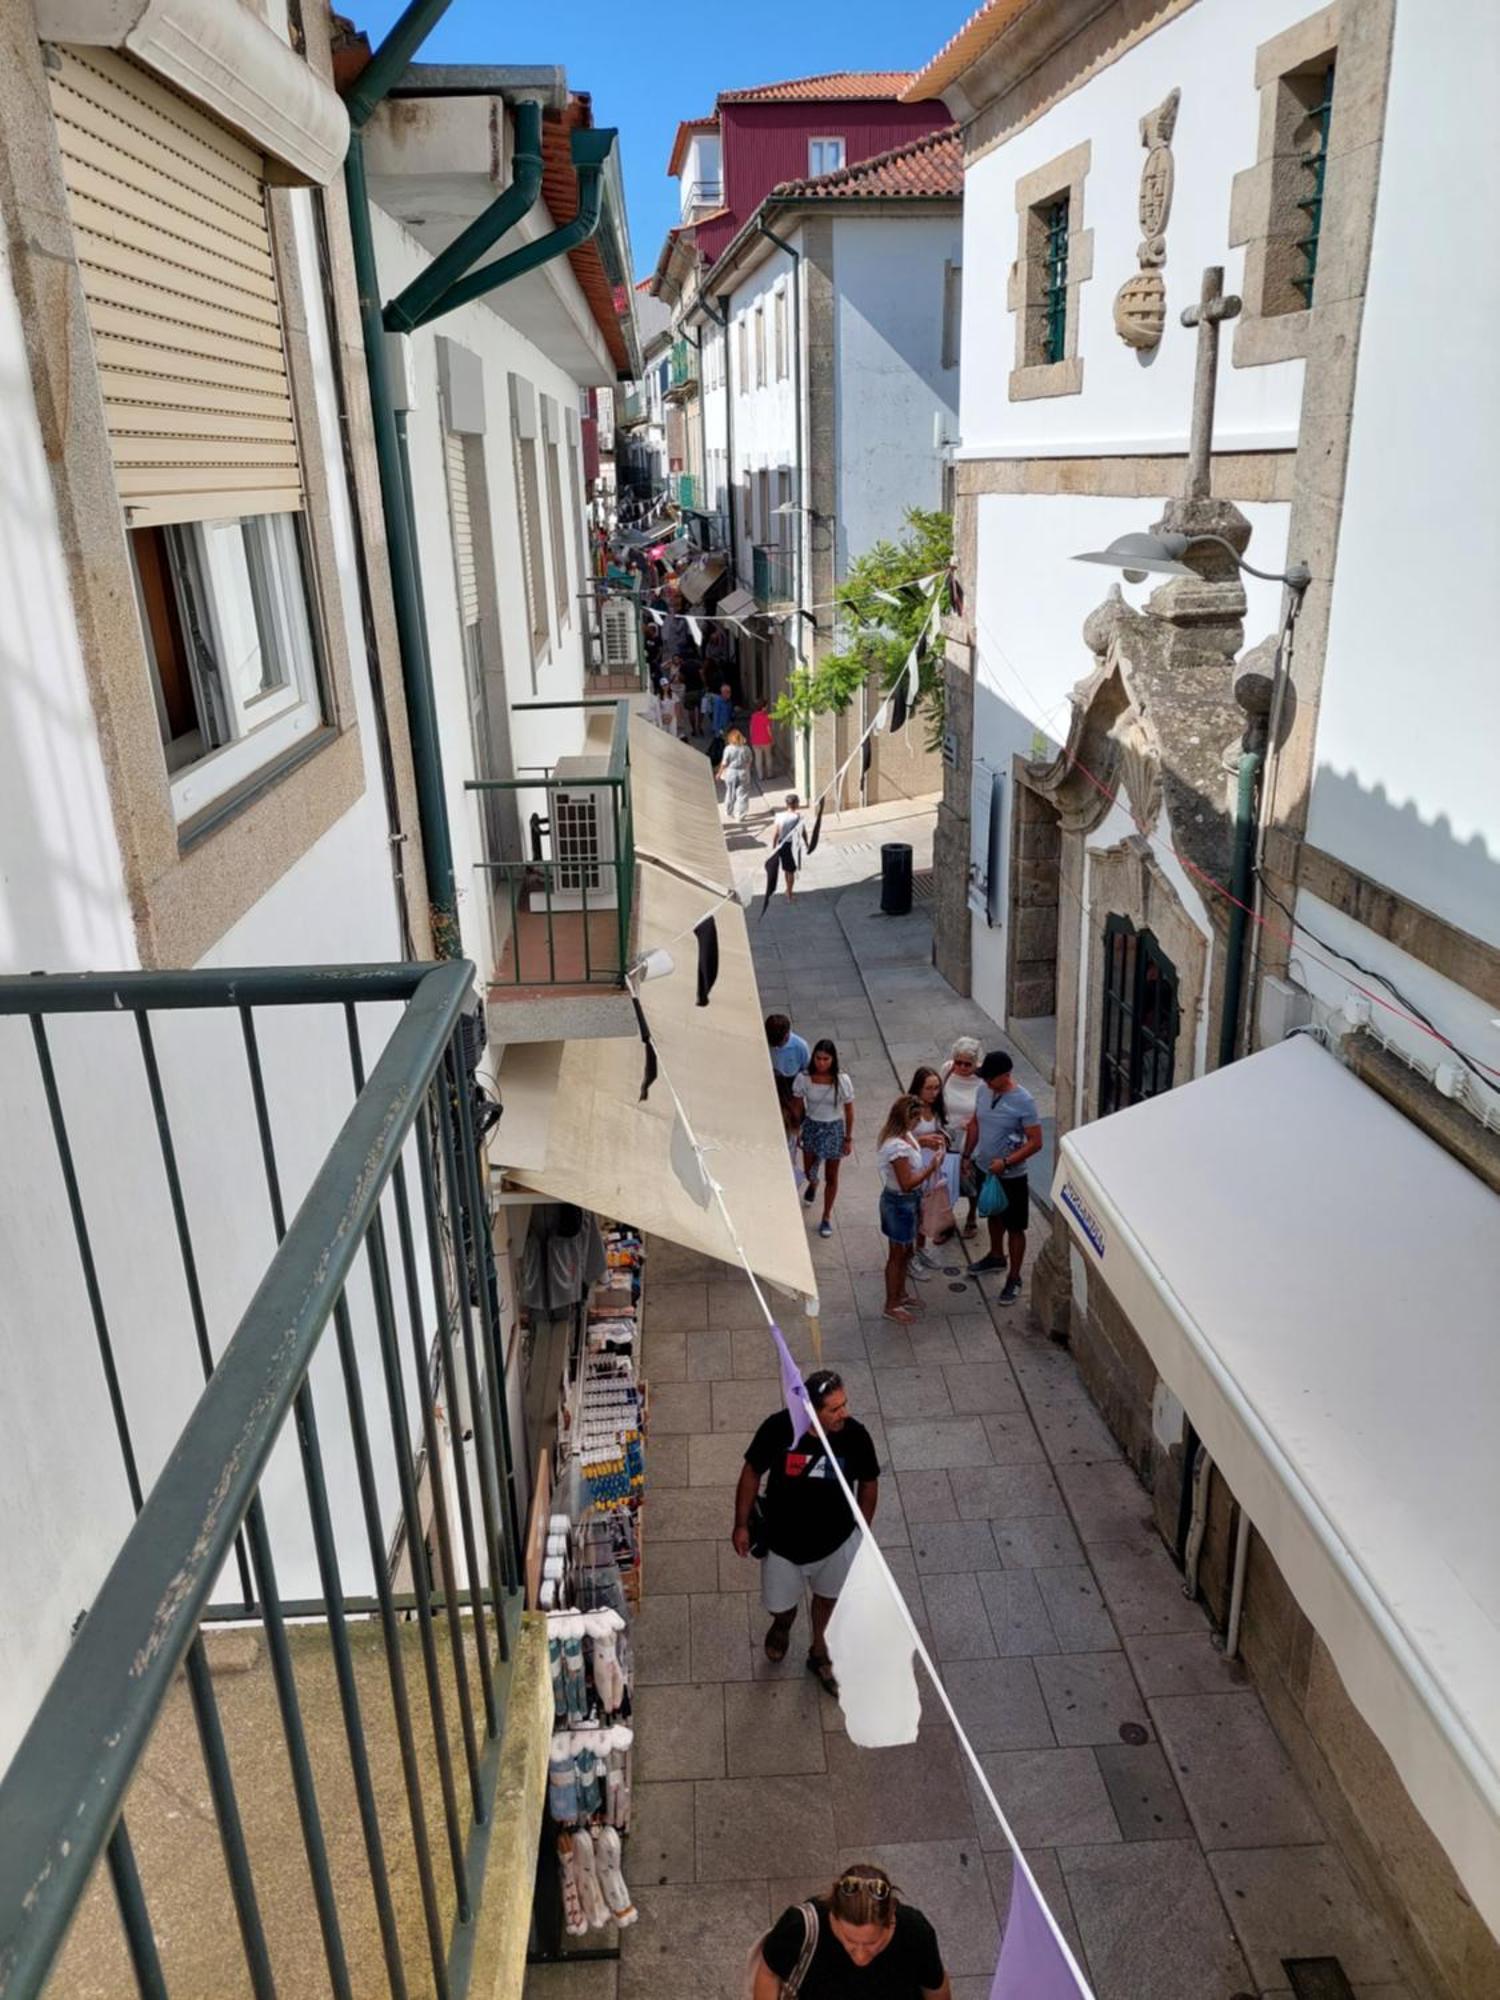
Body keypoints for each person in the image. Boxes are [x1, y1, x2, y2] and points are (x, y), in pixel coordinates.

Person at [733, 1369, 879, 1696]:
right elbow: (752, 1471)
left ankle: (820, 1653)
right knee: (780, 1606)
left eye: (845, 1404)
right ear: (811, 1410)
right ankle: (783, 1625)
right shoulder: (779, 1428)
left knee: (828, 1601)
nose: (845, 1413)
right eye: (835, 1409)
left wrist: (862, 1535)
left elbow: (869, 1483)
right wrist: (741, 1524)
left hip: (836, 1543)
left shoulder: (855, 1436)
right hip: (782, 1545)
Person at [753, 1865, 952, 1999]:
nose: (861, 1956)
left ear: (891, 1918)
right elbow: (769, 1973)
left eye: (872, 1943)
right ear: (833, 1914)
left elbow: (935, 1988)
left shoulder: (914, 1932)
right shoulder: (799, 1927)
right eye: (849, 1940)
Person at [965, 1050, 1043, 1305]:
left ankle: (1015, 1277)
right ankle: (995, 1255)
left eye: (990, 1078)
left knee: (1015, 1226)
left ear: (1006, 1076)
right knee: (992, 1213)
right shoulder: (983, 1091)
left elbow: (1035, 1142)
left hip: (1012, 1175)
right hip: (985, 1167)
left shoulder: (1024, 1101)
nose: (986, 1082)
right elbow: (975, 1123)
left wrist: (1007, 1162)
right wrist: (967, 1155)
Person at [876, 1095, 944, 1324]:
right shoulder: (896, 1147)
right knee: (897, 1255)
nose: (918, 1123)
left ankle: (900, 1294)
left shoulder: (903, 1136)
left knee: (906, 1251)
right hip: (899, 1203)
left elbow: (913, 1143)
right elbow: (907, 1182)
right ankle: (891, 1304)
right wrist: (931, 1167)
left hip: (907, 1201)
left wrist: (924, 1142)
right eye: (916, 1119)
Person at [792, 1040, 855, 1238]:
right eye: (818, 1058)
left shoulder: (841, 1080)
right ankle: (813, 1184)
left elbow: (849, 1110)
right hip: (812, 1125)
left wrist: (848, 1138)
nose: (821, 1063)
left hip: (834, 1127)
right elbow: (797, 1105)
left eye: (826, 1059)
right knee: (809, 1170)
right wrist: (798, 1127)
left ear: (833, 1059)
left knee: (832, 1175)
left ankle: (826, 1215)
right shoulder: (804, 1078)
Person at [906, 1067, 959, 1272]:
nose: (934, 1092)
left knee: (926, 1209)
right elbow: (898, 1141)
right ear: (919, 1088)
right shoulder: (910, 1109)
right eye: (929, 1088)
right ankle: (909, 1255)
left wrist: (941, 1138)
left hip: (933, 1166)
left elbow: (939, 1128)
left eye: (937, 1088)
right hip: (913, 1166)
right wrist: (923, 1141)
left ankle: (920, 1248)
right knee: (914, 1211)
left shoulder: (936, 1109)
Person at [938, 1037, 984, 1241]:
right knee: (945, 1180)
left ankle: (972, 1216)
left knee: (970, 1180)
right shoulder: (947, 1070)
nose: (962, 1067)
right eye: (959, 1062)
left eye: (968, 1064)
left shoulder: (983, 1080)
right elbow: (936, 1094)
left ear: (976, 1063)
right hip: (947, 1134)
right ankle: (946, 1221)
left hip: (971, 1138)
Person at [766, 1014, 812, 1146]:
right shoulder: (767, 1042)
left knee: (793, 1120)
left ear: (787, 1035)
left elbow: (806, 1070)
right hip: (773, 1081)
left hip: (791, 1085)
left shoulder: (800, 1046)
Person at [769, 794, 804, 899]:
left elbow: (776, 833)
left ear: (787, 804)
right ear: (796, 804)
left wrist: (774, 847)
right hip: (792, 846)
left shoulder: (779, 816)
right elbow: (803, 832)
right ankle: (789, 893)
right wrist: (807, 843)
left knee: (786, 869)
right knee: (791, 871)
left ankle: (787, 889)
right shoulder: (797, 817)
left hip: (782, 844)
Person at [715, 728, 753, 821]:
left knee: (730, 792)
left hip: (731, 772)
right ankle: (740, 815)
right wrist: (747, 769)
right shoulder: (746, 748)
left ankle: (729, 811)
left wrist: (719, 773)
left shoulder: (728, 749)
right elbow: (750, 761)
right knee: (742, 794)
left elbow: (724, 763)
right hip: (743, 772)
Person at [749, 702, 774, 782]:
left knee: (758, 758)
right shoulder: (766, 717)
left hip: (755, 741)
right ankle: (769, 774)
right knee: (768, 757)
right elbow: (768, 729)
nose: (766, 708)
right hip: (765, 740)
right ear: (763, 708)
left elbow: (751, 728)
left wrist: (751, 737)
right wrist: (772, 738)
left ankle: (760, 776)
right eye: (766, 707)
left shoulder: (753, 716)